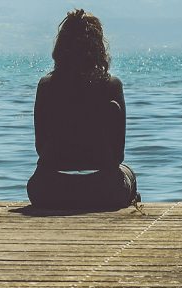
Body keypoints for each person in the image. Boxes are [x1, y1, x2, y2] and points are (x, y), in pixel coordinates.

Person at [27, 9, 140, 210]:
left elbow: (40, 148)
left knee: (36, 182)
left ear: (61, 46)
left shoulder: (46, 86)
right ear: (99, 47)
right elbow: (118, 155)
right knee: (127, 171)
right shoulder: (112, 85)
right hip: (104, 189)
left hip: (49, 189)